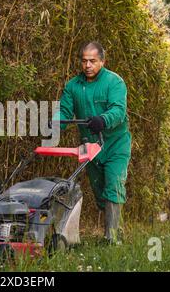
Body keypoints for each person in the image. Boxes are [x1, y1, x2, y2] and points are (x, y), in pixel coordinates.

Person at [52, 41, 132, 244]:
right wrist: (54, 123)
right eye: (84, 61)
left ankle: (111, 238)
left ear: (102, 61)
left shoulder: (114, 82)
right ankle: (115, 226)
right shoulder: (73, 86)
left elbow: (118, 110)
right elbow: (65, 111)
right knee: (99, 191)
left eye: (93, 61)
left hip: (115, 144)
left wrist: (103, 119)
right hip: (91, 146)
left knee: (113, 185)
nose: (88, 65)